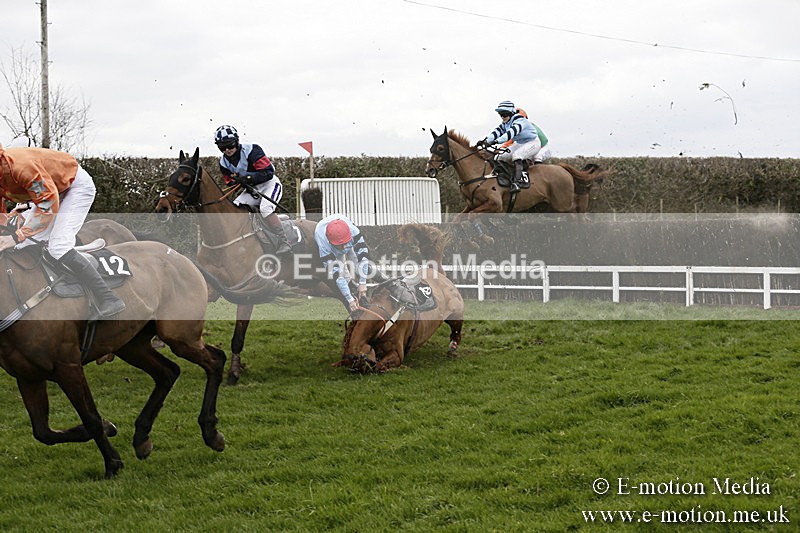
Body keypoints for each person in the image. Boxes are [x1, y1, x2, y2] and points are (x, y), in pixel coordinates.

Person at [0, 145, 126, 318]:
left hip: (74, 187)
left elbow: (47, 205)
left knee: (58, 246)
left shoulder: (22, 167)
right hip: (49, 192)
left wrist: (16, 236)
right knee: (24, 244)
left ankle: (108, 298)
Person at [214, 125, 290, 255]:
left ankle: (284, 242)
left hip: (270, 185)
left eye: (230, 145)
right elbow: (230, 181)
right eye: (222, 147)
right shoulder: (223, 163)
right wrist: (236, 181)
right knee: (236, 207)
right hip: (252, 190)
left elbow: (268, 172)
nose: (227, 150)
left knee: (265, 208)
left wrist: (248, 178)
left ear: (237, 141)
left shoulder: (252, 151)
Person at [476, 100, 542, 193]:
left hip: (533, 142)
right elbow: (496, 132)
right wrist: (485, 141)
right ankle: (506, 177)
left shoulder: (520, 120)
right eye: (500, 114)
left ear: (511, 113)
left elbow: (510, 133)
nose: (502, 117)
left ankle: (517, 182)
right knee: (499, 157)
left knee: (517, 156)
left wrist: (495, 142)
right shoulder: (505, 123)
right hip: (520, 143)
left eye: (504, 114)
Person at [314, 214, 374, 313]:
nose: (343, 248)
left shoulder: (354, 231)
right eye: (340, 246)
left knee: (356, 260)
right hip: (328, 242)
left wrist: (363, 283)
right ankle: (352, 290)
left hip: (344, 229)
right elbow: (338, 276)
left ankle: (363, 290)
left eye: (344, 245)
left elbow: (363, 257)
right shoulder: (323, 245)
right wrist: (349, 299)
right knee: (342, 270)